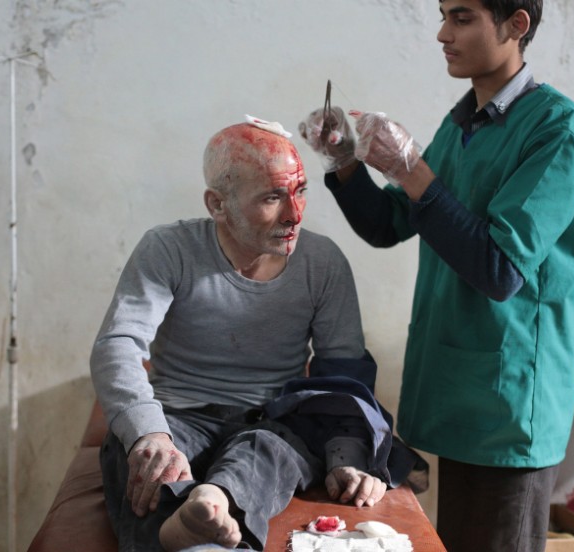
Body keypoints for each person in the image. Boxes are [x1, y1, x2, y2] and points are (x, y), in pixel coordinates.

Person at [298, 1, 574, 551]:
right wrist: (345, 160)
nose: (443, 33)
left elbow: (501, 268)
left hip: (509, 403)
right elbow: (388, 223)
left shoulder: (560, 132)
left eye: (462, 18)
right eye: (443, 15)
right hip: (460, 392)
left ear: (517, 25)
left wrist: (411, 168)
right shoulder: (464, 123)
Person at [90, 117, 406, 552]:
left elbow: (343, 374)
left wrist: (346, 459)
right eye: (274, 196)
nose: (294, 214)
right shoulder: (167, 249)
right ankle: (186, 526)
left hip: (271, 420)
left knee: (269, 451)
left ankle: (209, 503)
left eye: (300, 191)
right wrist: (150, 434)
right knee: (139, 456)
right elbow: (119, 345)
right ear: (217, 205)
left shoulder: (323, 262)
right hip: (180, 417)